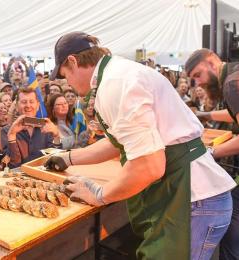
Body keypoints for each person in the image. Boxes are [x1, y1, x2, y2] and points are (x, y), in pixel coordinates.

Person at [44, 32, 236, 259]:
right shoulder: (120, 73)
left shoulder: (116, 84)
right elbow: (119, 143)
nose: (68, 84)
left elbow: (150, 165)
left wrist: (100, 194)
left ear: (73, 61)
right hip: (194, 196)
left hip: (192, 201)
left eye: (65, 76)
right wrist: (69, 158)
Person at [185, 48, 239, 260]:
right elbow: (233, 112)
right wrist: (204, 114)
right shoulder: (235, 74)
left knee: (233, 232)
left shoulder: (231, 84)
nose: (198, 83)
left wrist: (208, 152)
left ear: (211, 61)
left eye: (198, 75)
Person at [1, 87, 60, 168]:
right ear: (17, 106)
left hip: (43, 176)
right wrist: (12, 136)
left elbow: (56, 158)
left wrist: (57, 136)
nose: (28, 105)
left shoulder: (46, 127)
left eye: (31, 102)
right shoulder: (7, 131)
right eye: (24, 102)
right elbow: (12, 165)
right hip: (19, 178)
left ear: (38, 106)